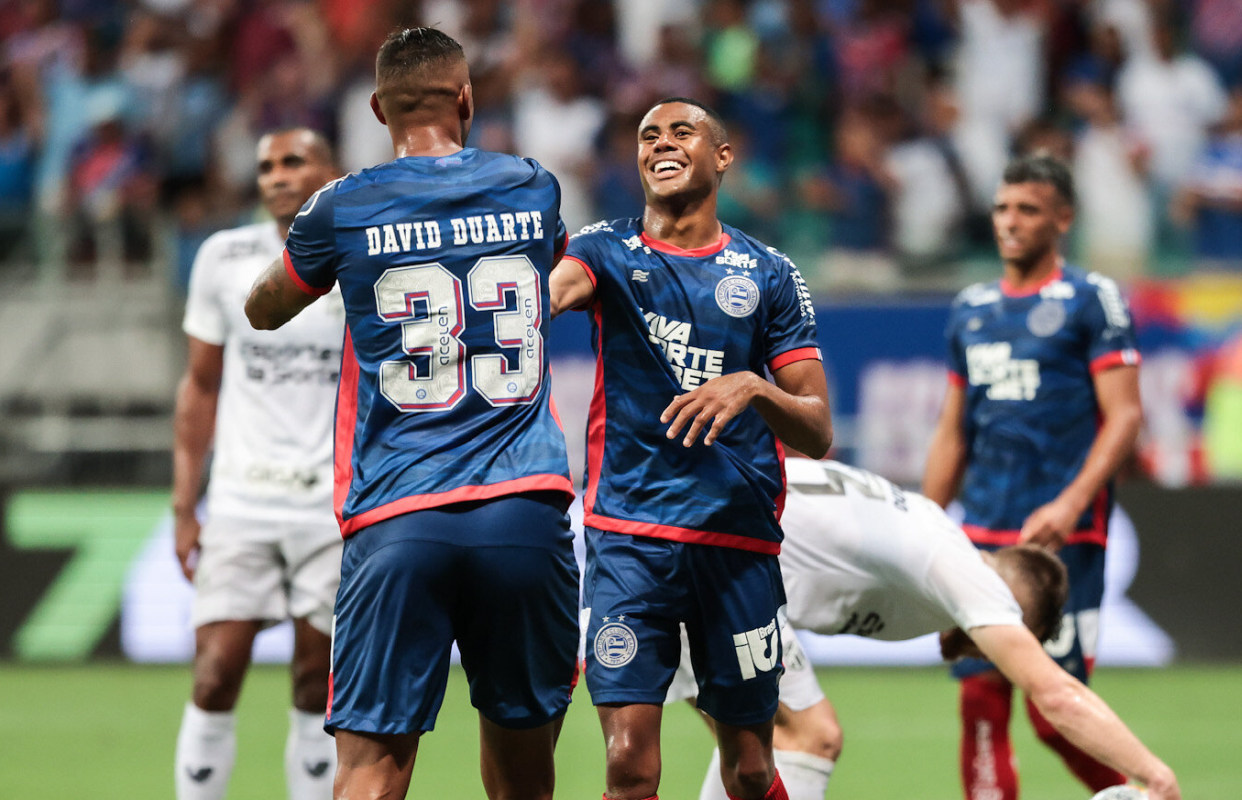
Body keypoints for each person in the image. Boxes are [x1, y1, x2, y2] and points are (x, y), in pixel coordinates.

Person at [244, 28, 578, 800]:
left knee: (369, 772)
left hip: (400, 512)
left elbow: (265, 307)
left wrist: (323, 255)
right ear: (466, 99)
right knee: (527, 771)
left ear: (376, 109)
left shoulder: (344, 205)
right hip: (523, 509)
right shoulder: (531, 186)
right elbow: (549, 266)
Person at [550, 97, 832, 800]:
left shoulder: (769, 273)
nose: (662, 143)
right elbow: (544, 296)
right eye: (648, 135)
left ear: (722, 156)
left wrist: (754, 390)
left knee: (750, 766)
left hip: (735, 545)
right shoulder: (604, 250)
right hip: (628, 540)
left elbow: (819, 428)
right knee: (628, 764)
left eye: (683, 131)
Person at [672, 458, 1180, 800]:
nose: (982, 657)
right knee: (808, 735)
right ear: (1011, 616)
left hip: (699, 538)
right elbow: (1057, 694)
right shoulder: (971, 579)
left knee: (759, 745)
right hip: (708, 556)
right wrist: (1156, 777)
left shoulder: (931, 527)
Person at [923, 154, 1145, 800]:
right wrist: (923, 521)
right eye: (1001, 208)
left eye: (1027, 209)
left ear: (1063, 219)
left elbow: (1126, 416)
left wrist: (1074, 502)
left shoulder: (1091, 299)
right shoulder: (971, 307)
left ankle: (1142, 793)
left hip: (1061, 540)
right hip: (982, 535)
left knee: (1056, 716)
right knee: (980, 701)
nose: (1010, 222)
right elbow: (952, 430)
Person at [172, 127, 343, 800]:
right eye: (266, 165)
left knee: (314, 681)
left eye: (293, 161)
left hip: (331, 510)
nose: (276, 175)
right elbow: (200, 388)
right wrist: (186, 506)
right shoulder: (223, 256)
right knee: (214, 672)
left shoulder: (361, 263)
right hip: (242, 503)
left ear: (331, 171)